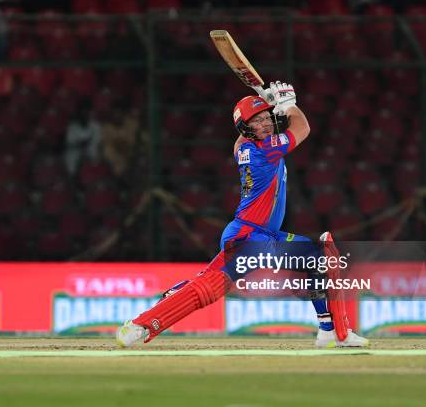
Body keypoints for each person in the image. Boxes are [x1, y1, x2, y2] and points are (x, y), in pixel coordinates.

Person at [116, 81, 368, 348]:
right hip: (250, 237)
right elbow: (303, 128)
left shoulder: (243, 148)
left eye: (266, 118)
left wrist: (266, 103)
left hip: (254, 234)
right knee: (211, 288)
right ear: (247, 129)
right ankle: (140, 326)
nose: (266, 124)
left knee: (317, 258)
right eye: (257, 121)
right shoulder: (265, 150)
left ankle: (330, 331)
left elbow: (241, 137)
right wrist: (290, 105)